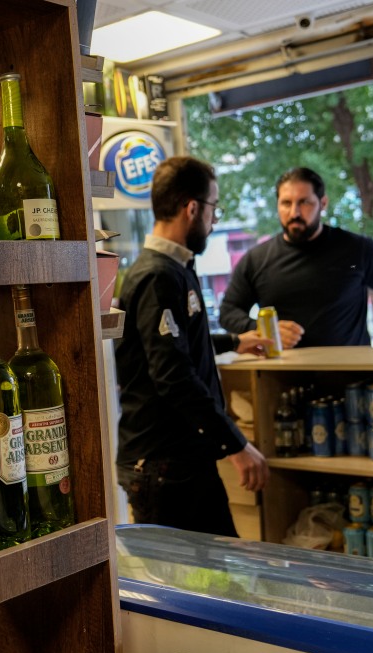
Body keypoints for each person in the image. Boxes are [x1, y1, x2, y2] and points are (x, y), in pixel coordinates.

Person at [115, 156, 269, 536]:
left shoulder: (175, 268)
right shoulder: (157, 276)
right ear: (192, 208)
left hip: (182, 462)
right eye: (214, 208)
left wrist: (236, 341)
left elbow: (180, 344)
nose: (215, 220)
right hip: (164, 468)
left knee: (220, 577)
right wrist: (236, 445)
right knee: (189, 587)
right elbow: (173, 374)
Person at [220, 167, 373, 349]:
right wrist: (262, 330)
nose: (294, 212)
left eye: (304, 202)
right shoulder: (257, 259)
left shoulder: (356, 250)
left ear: (323, 203)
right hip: (282, 376)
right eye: (286, 203)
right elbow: (228, 312)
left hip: (351, 374)